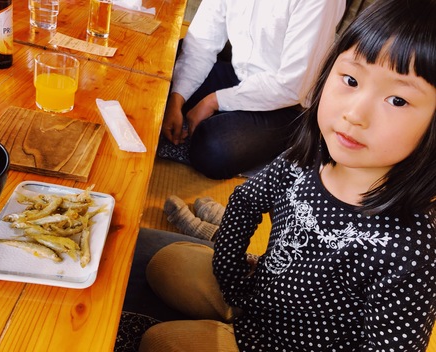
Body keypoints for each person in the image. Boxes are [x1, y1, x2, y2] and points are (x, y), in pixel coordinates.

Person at [137, 0, 436, 350]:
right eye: (351, 80)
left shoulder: (410, 251)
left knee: (160, 343)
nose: (355, 114)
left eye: (397, 100)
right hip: (258, 297)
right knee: (165, 265)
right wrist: (232, 277)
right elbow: (247, 200)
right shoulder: (308, 156)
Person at [158, 0, 346, 179]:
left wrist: (213, 100)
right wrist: (176, 99)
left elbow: (292, 85)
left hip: (290, 104)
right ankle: (217, 115)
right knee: (159, 69)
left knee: (213, 150)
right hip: (240, 75)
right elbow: (202, 41)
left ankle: (292, 140)